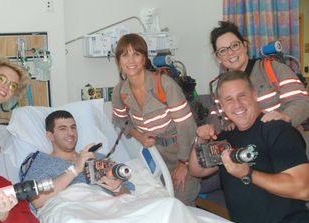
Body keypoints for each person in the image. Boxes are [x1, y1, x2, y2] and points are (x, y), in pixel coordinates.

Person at [188, 70, 309, 223]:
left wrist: (248, 174)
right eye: (229, 99)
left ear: (254, 94)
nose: (237, 104)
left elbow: (303, 189)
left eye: (242, 96)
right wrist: (200, 140)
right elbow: (197, 170)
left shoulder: (277, 130)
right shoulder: (226, 138)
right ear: (222, 105)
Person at [111, 33, 199, 206]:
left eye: (136, 54)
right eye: (125, 55)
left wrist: (184, 163)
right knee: (157, 205)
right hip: (154, 156)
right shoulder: (120, 91)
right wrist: (139, 136)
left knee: (182, 205)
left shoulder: (164, 84)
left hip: (182, 151)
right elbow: (120, 121)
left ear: (144, 58)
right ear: (119, 61)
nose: (131, 60)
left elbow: (186, 126)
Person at [209, 21, 309, 158]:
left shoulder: (273, 69)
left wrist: (286, 117)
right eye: (223, 50)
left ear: (245, 46)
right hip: (249, 156)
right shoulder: (219, 89)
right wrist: (227, 124)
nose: (230, 53)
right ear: (218, 57)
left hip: (285, 147)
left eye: (235, 45)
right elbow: (218, 124)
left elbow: (302, 102)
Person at [20, 110, 134, 210]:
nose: (71, 133)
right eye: (63, 128)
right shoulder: (41, 161)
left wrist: (118, 188)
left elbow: (128, 192)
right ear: (50, 136)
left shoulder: (96, 157)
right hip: (72, 210)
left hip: (109, 207)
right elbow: (37, 201)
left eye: (73, 127)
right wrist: (75, 169)